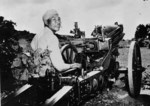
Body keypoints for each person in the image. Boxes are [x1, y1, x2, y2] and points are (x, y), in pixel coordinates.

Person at [31, 9, 81, 76]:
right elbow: (59, 67)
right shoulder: (52, 37)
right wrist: (71, 65)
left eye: (59, 19)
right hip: (48, 77)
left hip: (36, 75)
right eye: (54, 20)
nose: (58, 22)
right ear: (47, 22)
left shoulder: (37, 35)